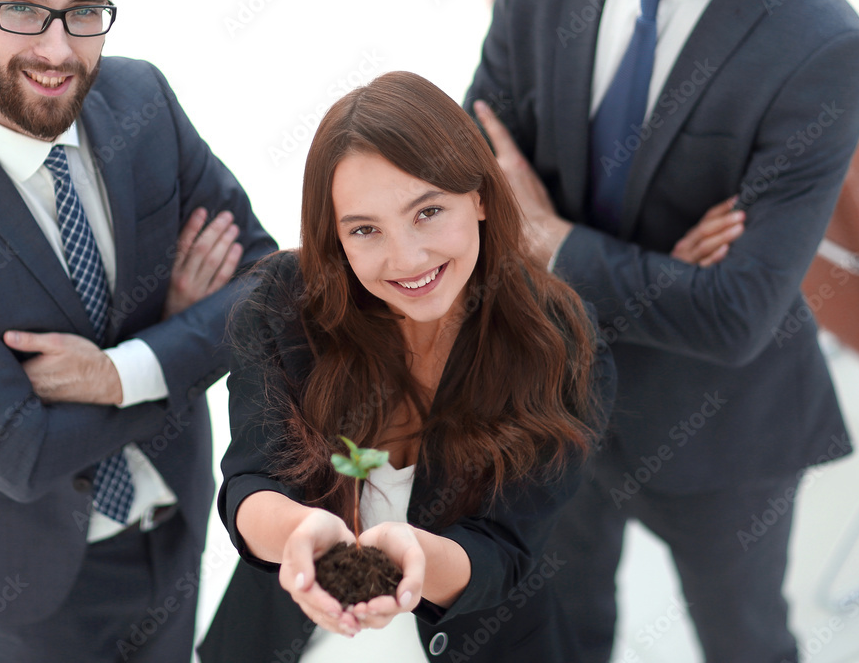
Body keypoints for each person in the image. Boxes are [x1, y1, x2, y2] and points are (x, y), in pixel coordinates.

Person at [464, 0, 859, 661]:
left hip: (719, 433)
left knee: (744, 641)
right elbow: (470, 170)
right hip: (551, 399)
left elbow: (735, 315)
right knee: (564, 625)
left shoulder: (822, 42)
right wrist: (658, 273)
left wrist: (553, 242)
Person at [0, 0, 276, 660]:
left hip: (175, 522)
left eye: (84, 12)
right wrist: (181, 343)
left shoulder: (143, 100)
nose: (59, 48)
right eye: (22, 10)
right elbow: (22, 452)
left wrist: (122, 372)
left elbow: (268, 282)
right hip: (26, 577)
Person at [196, 70, 615, 663]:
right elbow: (252, 480)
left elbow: (506, 548)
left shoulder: (558, 341)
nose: (407, 259)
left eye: (427, 212)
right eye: (365, 230)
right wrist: (301, 536)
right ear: (335, 239)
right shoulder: (281, 307)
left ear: (481, 196)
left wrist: (415, 562)